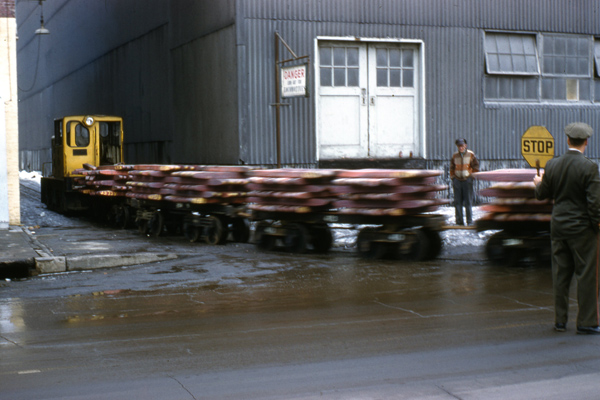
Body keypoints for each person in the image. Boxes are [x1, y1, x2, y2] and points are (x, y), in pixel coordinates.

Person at [533, 122, 600, 335]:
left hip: (559, 226)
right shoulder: (590, 167)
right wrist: (596, 225)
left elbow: (542, 194)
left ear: (568, 140)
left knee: (561, 275)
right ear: (586, 142)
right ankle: (587, 323)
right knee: (586, 275)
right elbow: (595, 203)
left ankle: (560, 321)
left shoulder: (553, 165)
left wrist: (538, 182)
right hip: (582, 230)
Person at [450, 138, 479, 225]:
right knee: (458, 202)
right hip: (457, 181)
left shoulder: (471, 154)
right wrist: (453, 177)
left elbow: (476, 166)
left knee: (468, 202)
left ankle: (469, 221)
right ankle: (459, 222)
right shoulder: (455, 155)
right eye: (459, 146)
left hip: (467, 180)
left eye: (462, 146)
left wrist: (472, 176)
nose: (460, 147)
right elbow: (451, 167)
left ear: (465, 146)